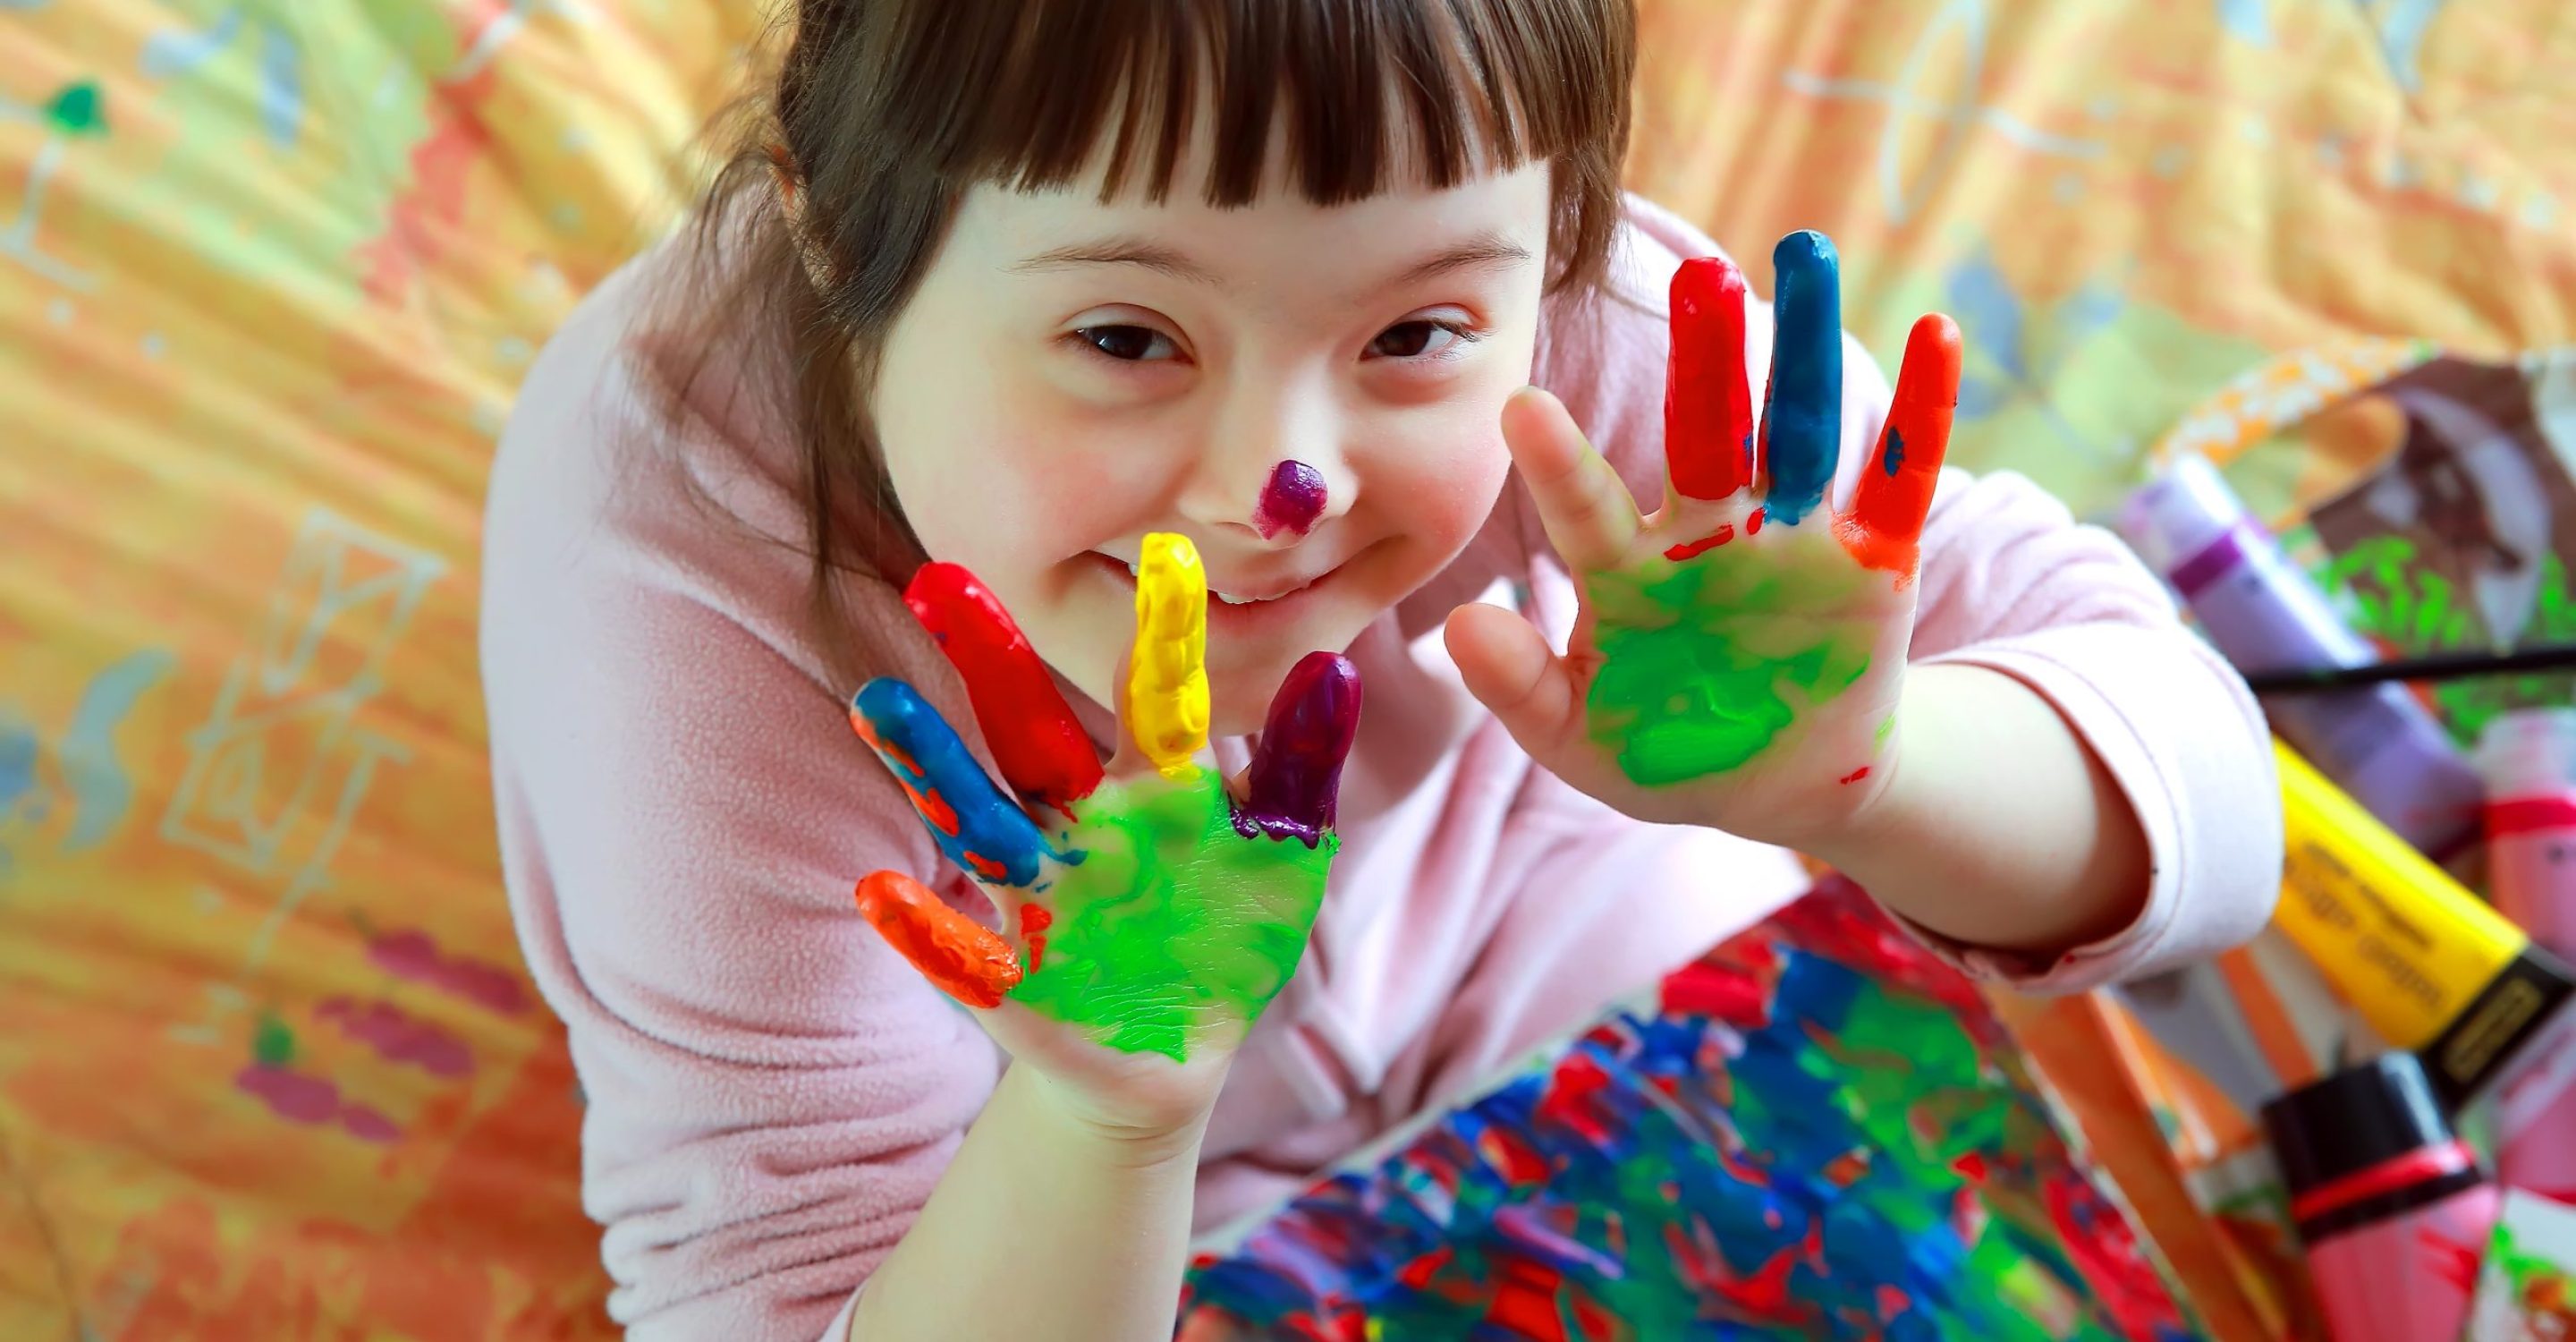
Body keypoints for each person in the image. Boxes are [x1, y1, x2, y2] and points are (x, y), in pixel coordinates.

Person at [478, 3, 2282, 1338]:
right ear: (831, 229)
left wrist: (1866, 773)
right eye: (1125, 335)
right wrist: (1107, 1114)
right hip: (1047, 1199)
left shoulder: (1595, 346)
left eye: (1414, 329)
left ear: (1556, 239)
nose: (1284, 488)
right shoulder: (672, 575)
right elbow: (782, 1300)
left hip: (1577, 931)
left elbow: (2214, 812)